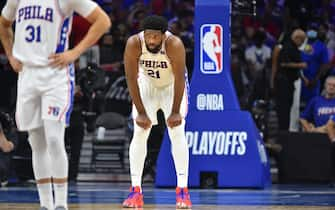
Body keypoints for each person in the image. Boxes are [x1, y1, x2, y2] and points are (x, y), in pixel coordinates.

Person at [0, 1, 111, 210]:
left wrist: (75, 52)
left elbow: (103, 21)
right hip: (27, 74)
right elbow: (4, 23)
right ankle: (46, 204)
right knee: (36, 142)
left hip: (55, 75)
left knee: (53, 138)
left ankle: (61, 204)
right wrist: (10, 54)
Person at [122, 15, 191, 209]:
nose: (151, 41)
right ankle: (136, 190)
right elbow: (130, 78)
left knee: (177, 132)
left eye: (155, 37)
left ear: (163, 35)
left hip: (171, 87)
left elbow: (179, 79)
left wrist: (175, 111)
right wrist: (141, 112)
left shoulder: (174, 44)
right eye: (148, 36)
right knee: (140, 132)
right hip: (147, 85)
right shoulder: (134, 43)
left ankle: (183, 190)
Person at [274, 29, 307, 130]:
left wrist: (303, 78)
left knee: (288, 108)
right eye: (301, 41)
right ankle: (283, 132)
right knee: (283, 109)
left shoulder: (295, 48)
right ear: (297, 38)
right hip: (284, 82)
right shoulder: (287, 47)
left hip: (290, 82)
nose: (301, 43)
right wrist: (300, 65)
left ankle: (285, 130)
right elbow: (283, 63)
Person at [300, 75, 335, 141]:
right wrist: (310, 131)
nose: (331, 87)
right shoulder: (315, 100)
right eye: (329, 84)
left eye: (334, 85)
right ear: (325, 85)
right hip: (318, 136)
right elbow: (303, 118)